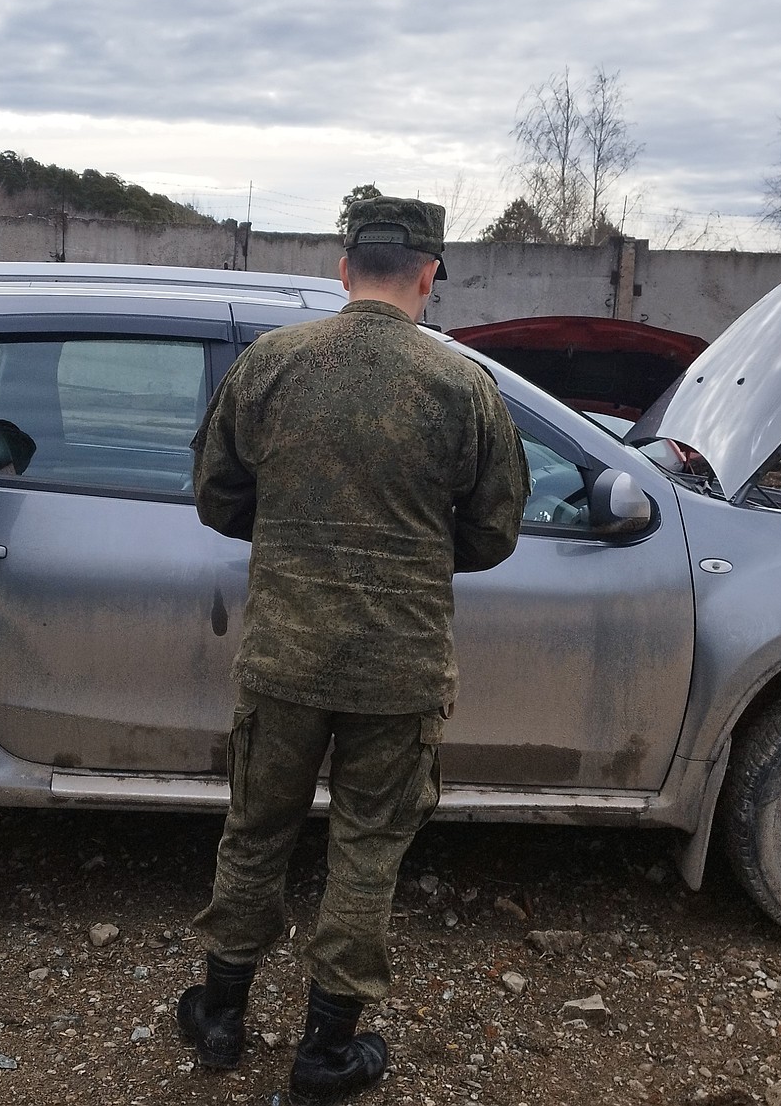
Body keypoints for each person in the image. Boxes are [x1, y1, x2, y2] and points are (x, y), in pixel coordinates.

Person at [179, 196, 530, 1104]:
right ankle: (326, 1050)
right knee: (367, 851)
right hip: (398, 665)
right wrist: (416, 547)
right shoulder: (463, 386)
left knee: (255, 835)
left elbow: (216, 495)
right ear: (428, 274)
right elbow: (495, 530)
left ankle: (219, 1017)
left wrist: (294, 533)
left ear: (344, 270)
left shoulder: (271, 365)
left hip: (286, 657)